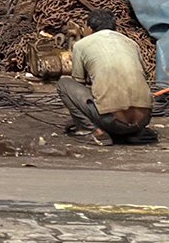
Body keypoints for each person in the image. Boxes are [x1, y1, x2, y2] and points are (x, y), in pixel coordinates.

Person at [58, 10, 156, 145]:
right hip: (143, 120)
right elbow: (142, 74)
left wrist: (81, 118)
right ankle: (134, 131)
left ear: (90, 28)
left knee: (64, 84)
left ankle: (91, 130)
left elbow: (78, 82)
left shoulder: (81, 44)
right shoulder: (131, 43)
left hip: (113, 122)